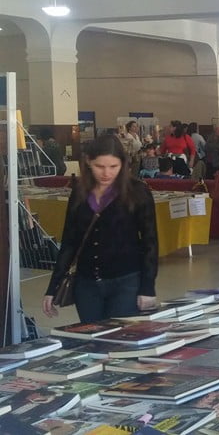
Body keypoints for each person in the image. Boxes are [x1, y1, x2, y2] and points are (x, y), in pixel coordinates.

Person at [42, 135, 159, 323]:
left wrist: (148, 287)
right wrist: (52, 287)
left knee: (119, 337)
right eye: (100, 166)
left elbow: (150, 243)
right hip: (86, 284)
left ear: (123, 164)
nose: (106, 173)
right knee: (91, 337)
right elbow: (69, 241)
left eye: (113, 166)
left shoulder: (138, 192)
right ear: (88, 162)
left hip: (126, 281)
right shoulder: (79, 192)